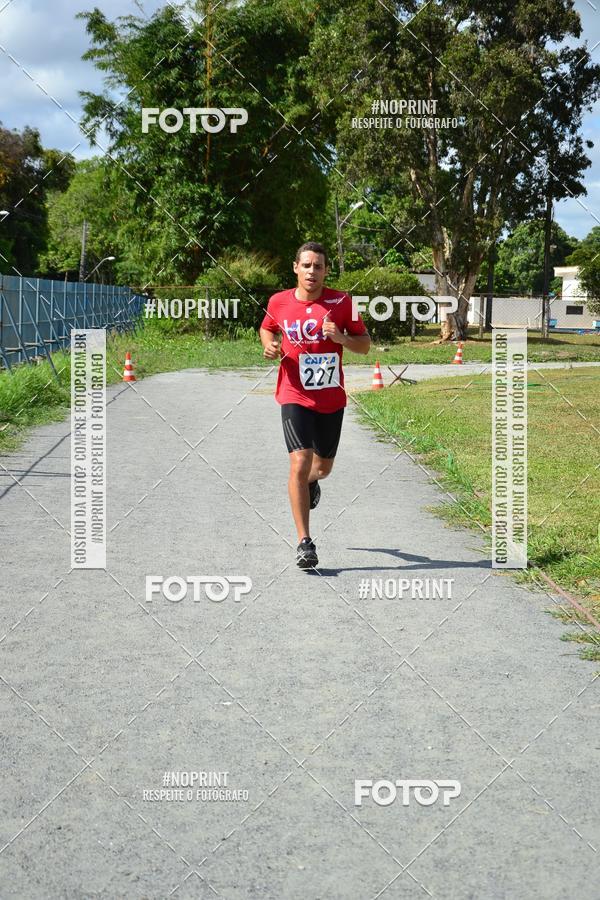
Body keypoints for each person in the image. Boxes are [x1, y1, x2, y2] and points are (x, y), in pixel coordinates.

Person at [259, 241, 371, 568]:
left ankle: (312, 483)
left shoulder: (342, 302)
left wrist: (343, 340)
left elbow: (364, 346)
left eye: (318, 266)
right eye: (306, 265)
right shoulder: (278, 301)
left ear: (325, 271)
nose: (312, 271)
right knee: (299, 462)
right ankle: (304, 542)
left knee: (321, 468)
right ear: (296, 267)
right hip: (294, 394)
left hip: (330, 398)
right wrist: (270, 346)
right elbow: (267, 329)